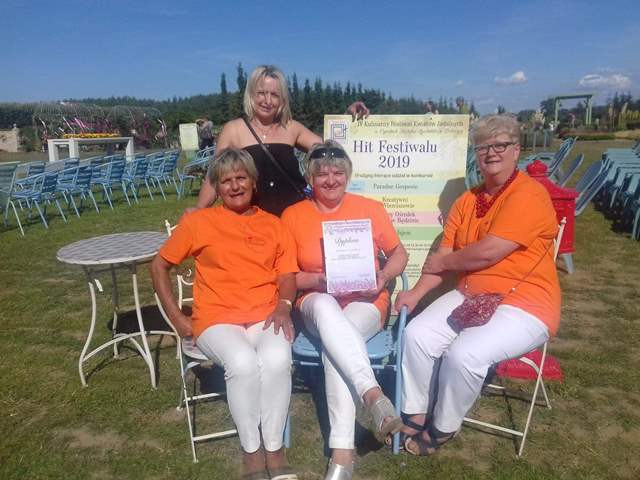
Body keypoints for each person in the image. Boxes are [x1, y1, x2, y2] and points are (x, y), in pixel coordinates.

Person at [394, 114, 560, 456]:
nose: (491, 152)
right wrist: (416, 293)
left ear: (517, 150)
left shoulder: (529, 194)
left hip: (525, 303)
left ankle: (443, 427)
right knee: (416, 334)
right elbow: (441, 257)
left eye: (500, 145)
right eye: (483, 147)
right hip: (470, 294)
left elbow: (488, 251)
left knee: (464, 354)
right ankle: (416, 411)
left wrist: (445, 263)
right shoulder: (467, 201)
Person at [151, 149, 299, 480]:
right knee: (243, 363)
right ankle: (252, 452)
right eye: (225, 180)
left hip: (265, 314)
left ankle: (274, 447)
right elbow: (159, 266)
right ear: (216, 188)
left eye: (241, 178)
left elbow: (287, 275)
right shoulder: (198, 222)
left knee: (277, 360)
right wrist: (177, 318)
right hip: (216, 318)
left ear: (254, 182)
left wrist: (284, 306)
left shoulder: (274, 225)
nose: (234, 186)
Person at [281, 141, 408, 479]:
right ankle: (373, 395)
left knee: (337, 345)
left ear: (347, 175)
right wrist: (320, 280)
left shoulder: (370, 208)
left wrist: (383, 277)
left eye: (338, 172)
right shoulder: (293, 216)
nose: (331, 180)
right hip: (316, 300)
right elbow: (288, 275)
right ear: (310, 178)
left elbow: (399, 254)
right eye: (322, 174)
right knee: (326, 308)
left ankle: (342, 452)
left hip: (366, 301)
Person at [194, 64, 369, 217]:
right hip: (255, 220)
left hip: (295, 217)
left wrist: (346, 117)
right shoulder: (233, 130)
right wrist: (199, 210)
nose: (267, 101)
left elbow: (330, 150)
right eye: (261, 93)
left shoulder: (292, 127)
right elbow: (214, 176)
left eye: (274, 95)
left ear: (282, 100)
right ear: (251, 95)